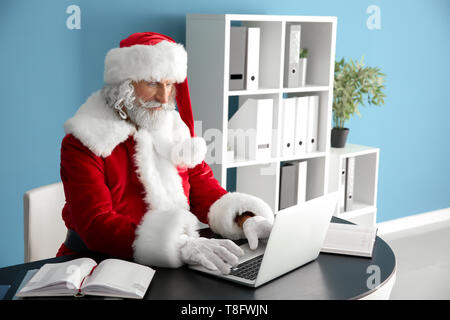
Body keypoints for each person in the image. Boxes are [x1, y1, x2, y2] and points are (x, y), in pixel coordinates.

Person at [57, 32, 274, 275]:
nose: (164, 97)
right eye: (152, 83)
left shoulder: (174, 128)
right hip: (95, 267)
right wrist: (180, 244)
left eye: (169, 84)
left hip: (167, 266)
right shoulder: (85, 141)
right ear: (125, 85)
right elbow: (96, 224)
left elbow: (203, 187)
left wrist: (246, 218)